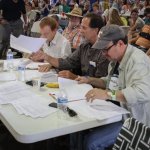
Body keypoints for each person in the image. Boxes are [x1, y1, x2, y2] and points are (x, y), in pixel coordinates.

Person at [76, 24, 150, 149]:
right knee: (78, 127)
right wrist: (90, 80)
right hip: (116, 113)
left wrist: (107, 94)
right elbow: (111, 81)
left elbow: (143, 92)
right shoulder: (116, 59)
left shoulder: (137, 61)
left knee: (92, 142)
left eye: (106, 49)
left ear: (120, 44)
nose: (103, 53)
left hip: (133, 121)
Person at [34, 13, 109, 80]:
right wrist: (46, 57)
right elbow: (68, 62)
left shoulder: (104, 51)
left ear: (96, 30)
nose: (80, 30)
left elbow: (101, 81)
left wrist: (76, 77)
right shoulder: (84, 46)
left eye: (84, 28)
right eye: (81, 27)